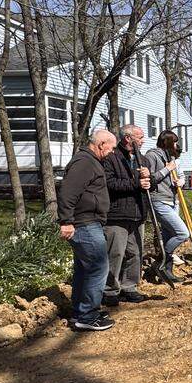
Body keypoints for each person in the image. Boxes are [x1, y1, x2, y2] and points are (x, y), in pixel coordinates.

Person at [59, 129, 117, 331]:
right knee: (98, 268)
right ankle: (87, 315)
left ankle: (80, 312)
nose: (113, 151)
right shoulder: (84, 162)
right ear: (101, 144)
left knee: (84, 270)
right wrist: (66, 221)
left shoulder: (92, 162)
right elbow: (68, 192)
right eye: (112, 147)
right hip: (85, 224)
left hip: (88, 223)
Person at [101, 125, 151, 306]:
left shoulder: (142, 159)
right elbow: (109, 183)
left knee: (135, 253)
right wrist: (135, 182)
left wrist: (148, 177)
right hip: (117, 214)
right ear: (128, 138)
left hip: (138, 213)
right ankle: (110, 290)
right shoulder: (112, 157)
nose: (143, 140)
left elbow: (147, 187)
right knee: (115, 254)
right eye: (140, 137)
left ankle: (129, 287)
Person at [143, 130, 189, 274]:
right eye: (174, 142)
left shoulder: (170, 157)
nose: (176, 145)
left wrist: (181, 181)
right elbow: (149, 179)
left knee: (169, 235)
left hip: (172, 200)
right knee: (182, 233)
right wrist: (167, 169)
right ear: (166, 142)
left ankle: (166, 271)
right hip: (159, 200)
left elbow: (180, 176)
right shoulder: (152, 156)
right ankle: (161, 260)